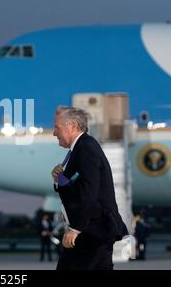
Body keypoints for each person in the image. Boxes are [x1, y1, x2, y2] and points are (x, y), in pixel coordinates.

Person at [51, 106, 129, 270]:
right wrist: (60, 180)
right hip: (93, 231)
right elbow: (78, 188)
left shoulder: (85, 148)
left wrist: (75, 228)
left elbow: (89, 192)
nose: (54, 132)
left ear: (72, 126)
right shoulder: (80, 148)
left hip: (91, 231)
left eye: (57, 127)